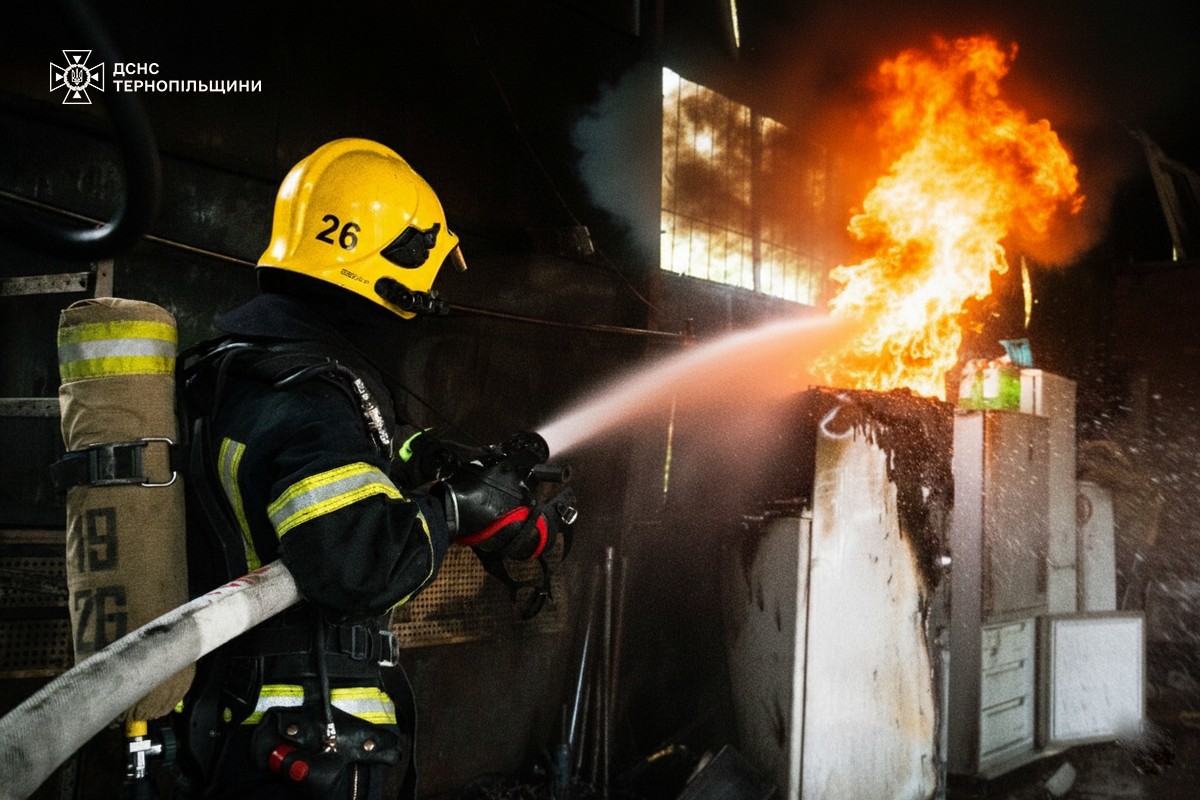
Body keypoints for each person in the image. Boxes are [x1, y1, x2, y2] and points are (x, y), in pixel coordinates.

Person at [174, 138, 574, 799]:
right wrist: (453, 510)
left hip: (237, 716)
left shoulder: (241, 368)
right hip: (308, 732)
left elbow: (295, 473)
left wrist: (417, 453)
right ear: (392, 261)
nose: (426, 298)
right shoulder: (313, 393)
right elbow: (350, 560)